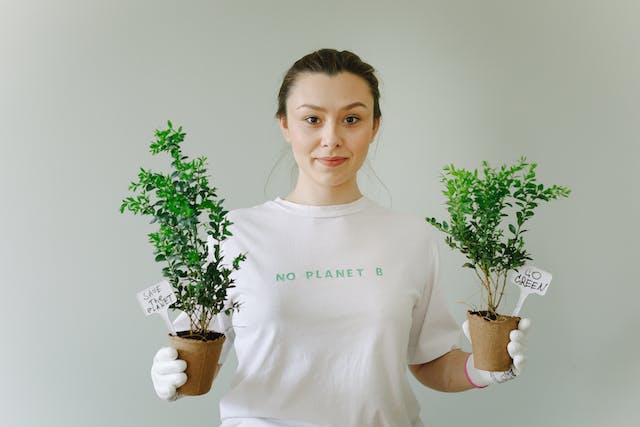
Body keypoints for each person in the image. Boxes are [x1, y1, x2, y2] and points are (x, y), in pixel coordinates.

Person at [150, 48, 530, 427]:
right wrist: (173, 373)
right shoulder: (234, 235)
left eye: (351, 119)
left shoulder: (411, 238)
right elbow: (201, 356)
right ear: (285, 124)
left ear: (374, 126)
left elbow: (428, 361)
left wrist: (481, 370)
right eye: (312, 119)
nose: (331, 138)